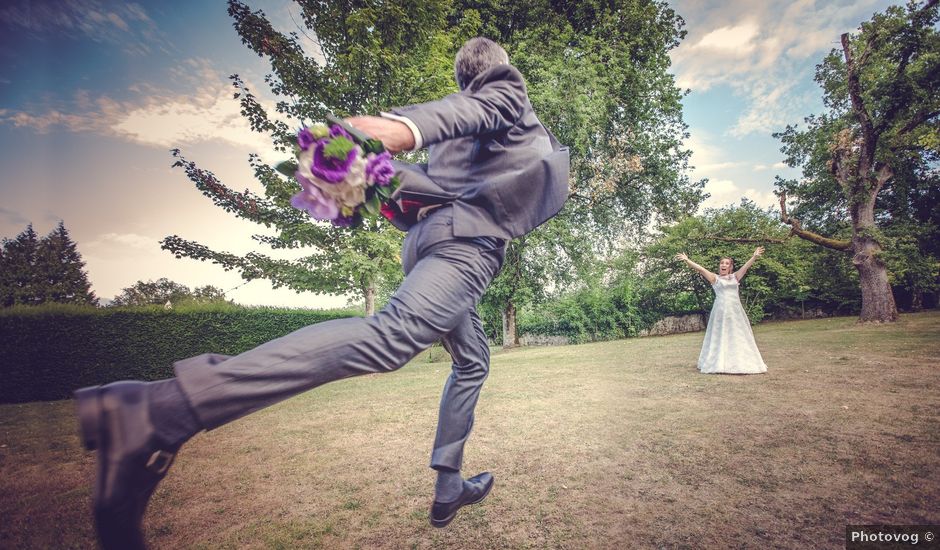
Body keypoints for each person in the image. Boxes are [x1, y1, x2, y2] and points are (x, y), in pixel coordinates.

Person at [74, 37, 569, 549]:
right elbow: (451, 114)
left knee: (472, 360)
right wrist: (377, 133)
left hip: (429, 244)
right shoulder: (503, 93)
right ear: (491, 74)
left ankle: (449, 483)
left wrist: (373, 178)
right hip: (463, 249)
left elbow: (421, 185)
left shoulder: (463, 143)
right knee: (393, 337)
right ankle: (158, 409)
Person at [675, 247, 768, 374]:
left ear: (730, 267)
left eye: (726, 263)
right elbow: (700, 269)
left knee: (738, 335)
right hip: (720, 311)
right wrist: (687, 260)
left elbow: (745, 268)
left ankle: (741, 362)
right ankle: (718, 362)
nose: (723, 265)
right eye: (722, 263)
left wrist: (755, 256)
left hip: (735, 311)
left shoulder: (735, 277)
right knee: (720, 335)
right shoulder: (715, 278)